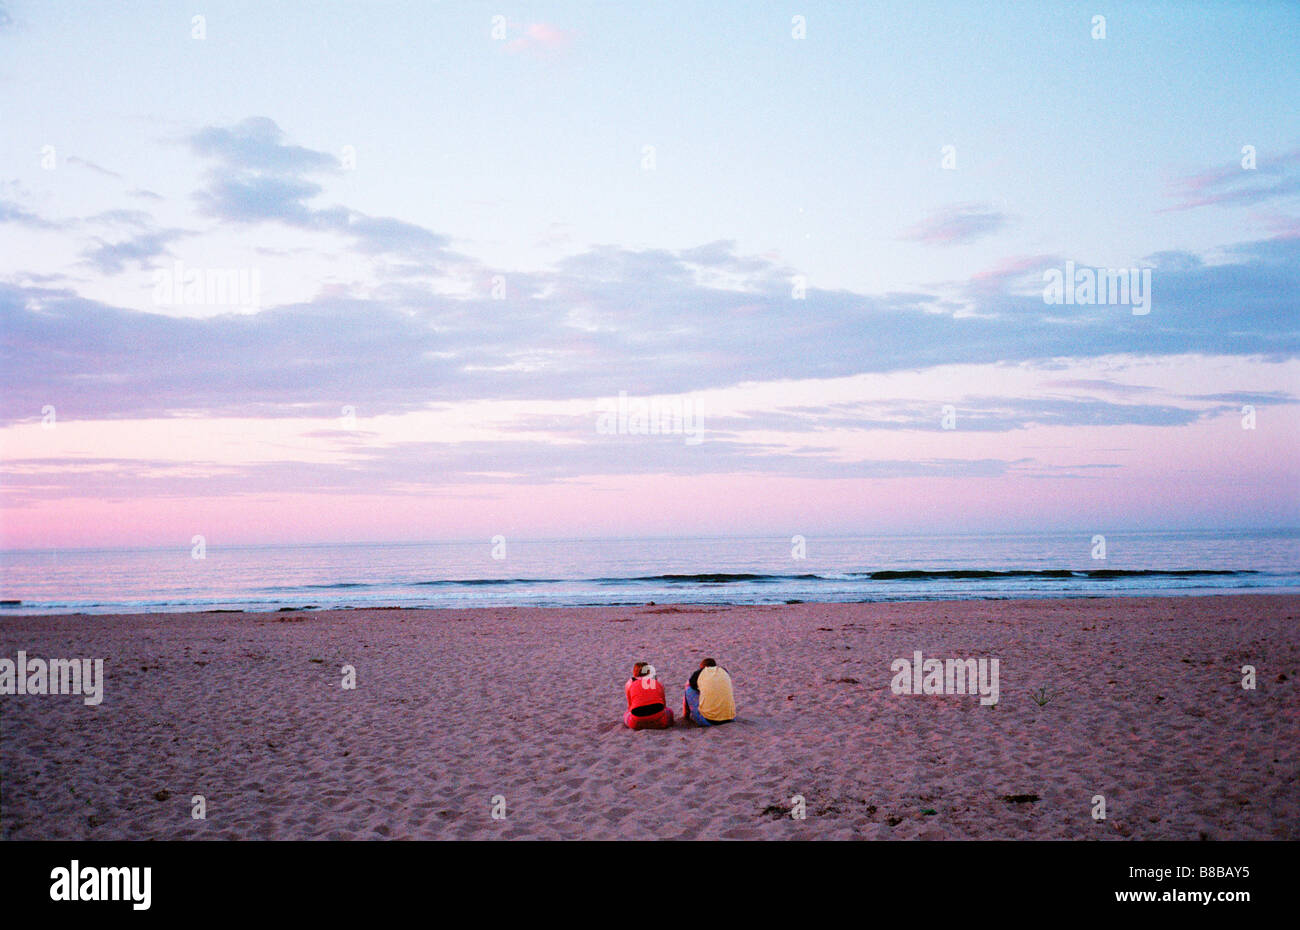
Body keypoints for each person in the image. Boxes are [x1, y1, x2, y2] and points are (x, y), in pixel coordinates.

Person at [682, 657, 736, 726]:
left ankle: (686, 715)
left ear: (703, 667)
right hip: (730, 718)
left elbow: (690, 685)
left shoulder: (700, 672)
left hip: (709, 721)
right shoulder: (724, 671)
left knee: (688, 688)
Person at [624, 661, 674, 729]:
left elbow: (630, 707)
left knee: (626, 715)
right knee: (669, 711)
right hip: (659, 719)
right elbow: (664, 705)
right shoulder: (657, 682)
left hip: (637, 720)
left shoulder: (630, 683)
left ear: (634, 672)